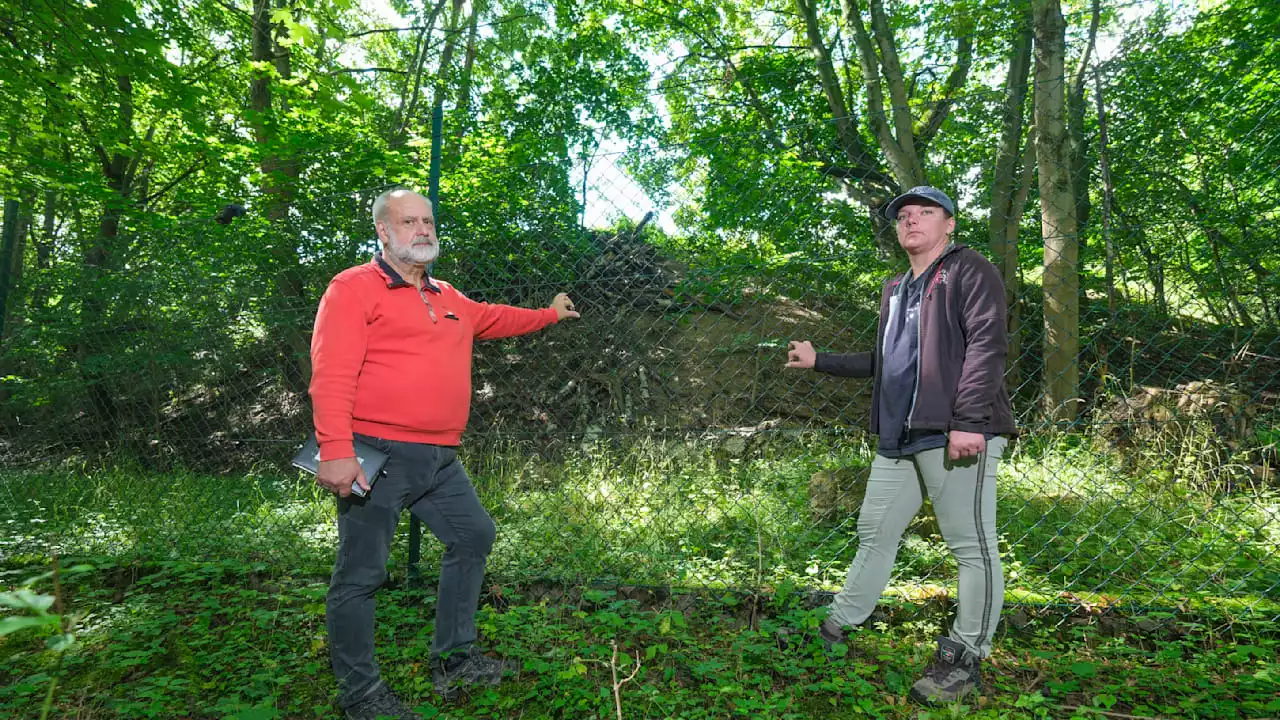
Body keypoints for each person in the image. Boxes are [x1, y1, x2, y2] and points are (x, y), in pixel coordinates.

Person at [309, 187, 580, 720]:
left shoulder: (448, 295)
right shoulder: (353, 288)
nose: (423, 230)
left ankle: (455, 660)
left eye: (428, 222)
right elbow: (331, 374)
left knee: (473, 535)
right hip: (376, 453)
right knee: (361, 575)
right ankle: (361, 697)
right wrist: (335, 449)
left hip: (439, 458)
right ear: (383, 232)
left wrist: (547, 314)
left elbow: (495, 318)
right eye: (409, 221)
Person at [784, 186, 1016, 705]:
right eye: (903, 216)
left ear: (949, 223)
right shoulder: (896, 288)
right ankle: (838, 624)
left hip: (955, 432)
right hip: (900, 436)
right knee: (874, 531)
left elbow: (987, 342)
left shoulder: (968, 269)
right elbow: (887, 359)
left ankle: (965, 657)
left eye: (924, 213)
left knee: (971, 546)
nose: (911, 222)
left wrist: (969, 420)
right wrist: (820, 360)